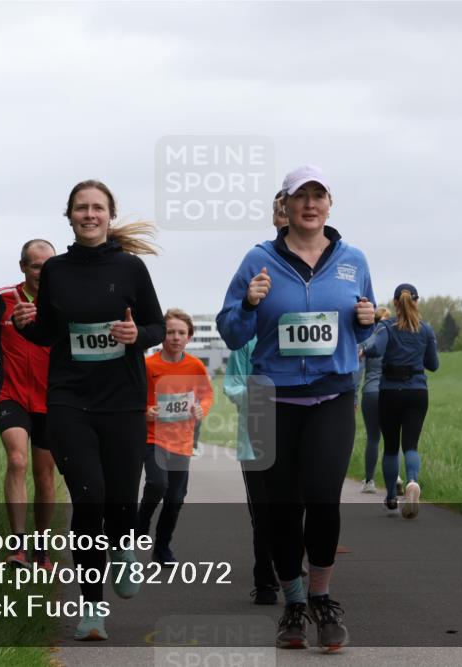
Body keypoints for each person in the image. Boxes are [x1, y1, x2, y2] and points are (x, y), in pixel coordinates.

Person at [217, 165, 375, 652]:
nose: (309, 204)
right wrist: (248, 303)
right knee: (282, 508)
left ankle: (322, 598)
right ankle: (293, 602)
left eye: (318, 195)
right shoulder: (258, 260)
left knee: (324, 499)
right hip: (274, 400)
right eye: (299, 196)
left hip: (331, 396)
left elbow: (364, 328)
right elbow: (231, 332)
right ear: (283, 205)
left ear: (330, 203)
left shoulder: (353, 260)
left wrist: (367, 322)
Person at [12, 179, 164, 641]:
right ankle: (92, 607)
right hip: (69, 399)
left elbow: (156, 326)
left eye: (98, 207)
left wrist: (137, 336)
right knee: (88, 496)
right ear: (70, 216)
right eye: (82, 208)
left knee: (120, 498)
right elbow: (49, 332)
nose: (90, 215)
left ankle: (121, 547)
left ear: (109, 215)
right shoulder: (56, 270)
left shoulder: (131, 267)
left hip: (123, 400)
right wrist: (25, 325)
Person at [0, 239, 59, 570]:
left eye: (48, 267)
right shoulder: (4, 297)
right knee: (17, 460)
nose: (42, 273)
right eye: (35, 266)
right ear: (23, 266)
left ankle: (42, 549)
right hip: (12, 393)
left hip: (51, 397)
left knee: (45, 474)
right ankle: (17, 546)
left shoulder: (63, 300)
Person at [137, 308, 214, 565]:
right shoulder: (148, 365)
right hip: (153, 438)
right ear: (162, 335)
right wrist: (145, 411)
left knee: (175, 498)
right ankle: (141, 522)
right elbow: (133, 396)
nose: (176, 337)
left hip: (182, 441)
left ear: (189, 337)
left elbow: (206, 394)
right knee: (157, 484)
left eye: (181, 333)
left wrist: (202, 408)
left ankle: (162, 547)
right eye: (170, 332)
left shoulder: (195, 366)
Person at [363, 284, 439, 518]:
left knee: (391, 447)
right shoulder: (426, 329)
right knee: (411, 445)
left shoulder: (387, 326)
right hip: (417, 392)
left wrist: (365, 347)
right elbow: (433, 365)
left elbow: (375, 350)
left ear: (395, 303)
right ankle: (413, 482)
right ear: (416, 301)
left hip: (390, 392)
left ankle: (390, 498)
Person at [223, 336, 280, 605]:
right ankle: (264, 579)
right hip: (254, 441)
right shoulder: (246, 341)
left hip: (296, 436)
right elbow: (232, 385)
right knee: (262, 513)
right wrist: (260, 394)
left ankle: (289, 561)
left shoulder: (292, 329)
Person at [358, 307, 403, 495]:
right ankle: (396, 477)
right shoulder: (395, 340)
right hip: (392, 391)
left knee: (373, 438)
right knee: (393, 438)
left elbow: (358, 370)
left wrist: (353, 396)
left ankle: (369, 482)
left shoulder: (367, 341)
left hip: (370, 392)